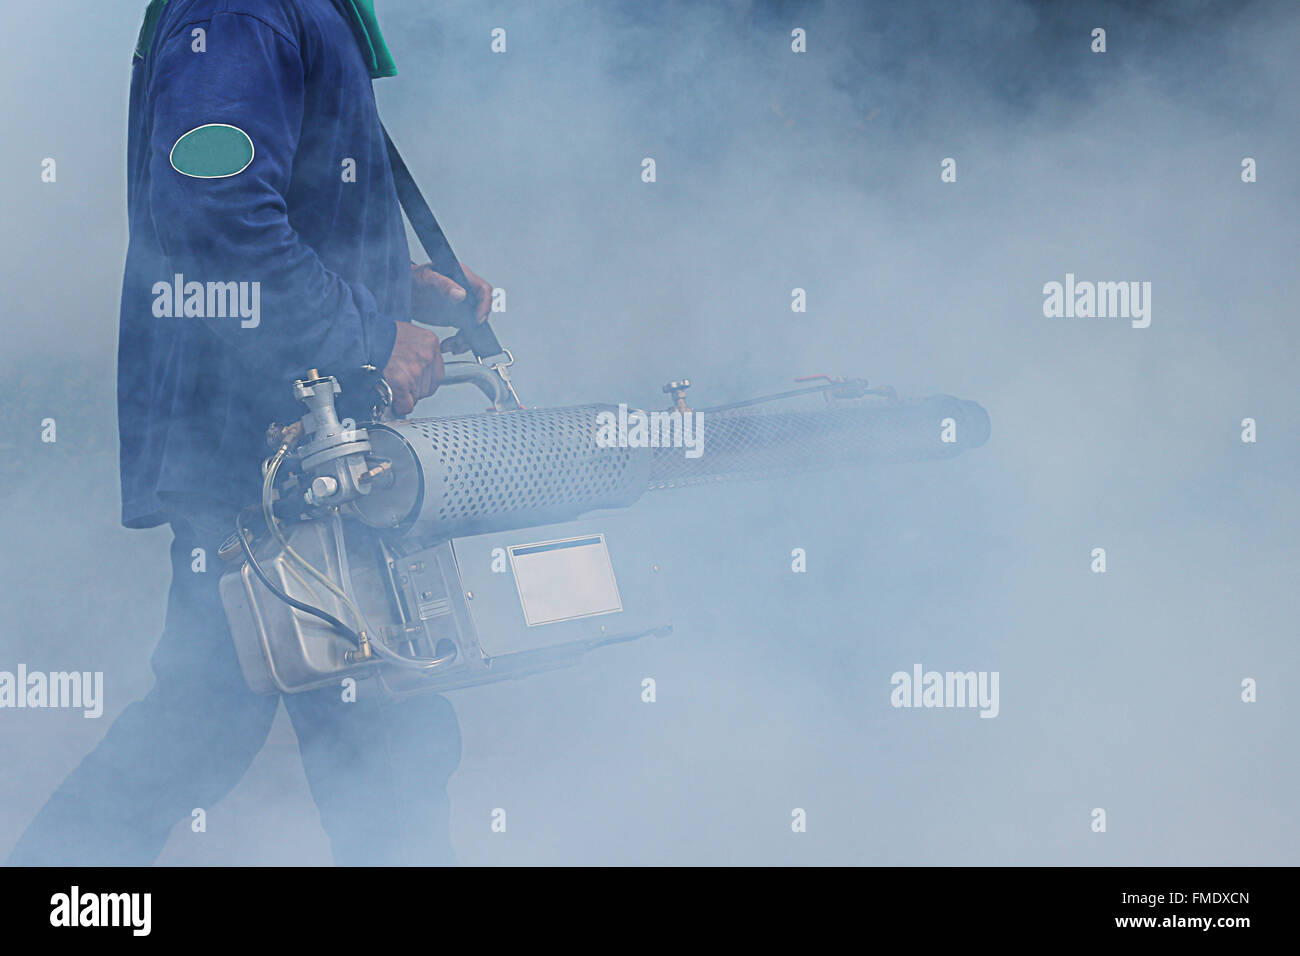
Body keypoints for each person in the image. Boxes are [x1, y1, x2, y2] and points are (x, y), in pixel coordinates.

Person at [6, 0, 485, 866]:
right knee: (354, 728)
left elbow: (274, 213)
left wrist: (393, 284)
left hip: (300, 450)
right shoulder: (242, 10)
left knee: (288, 723)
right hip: (268, 455)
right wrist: (370, 336)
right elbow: (214, 221)